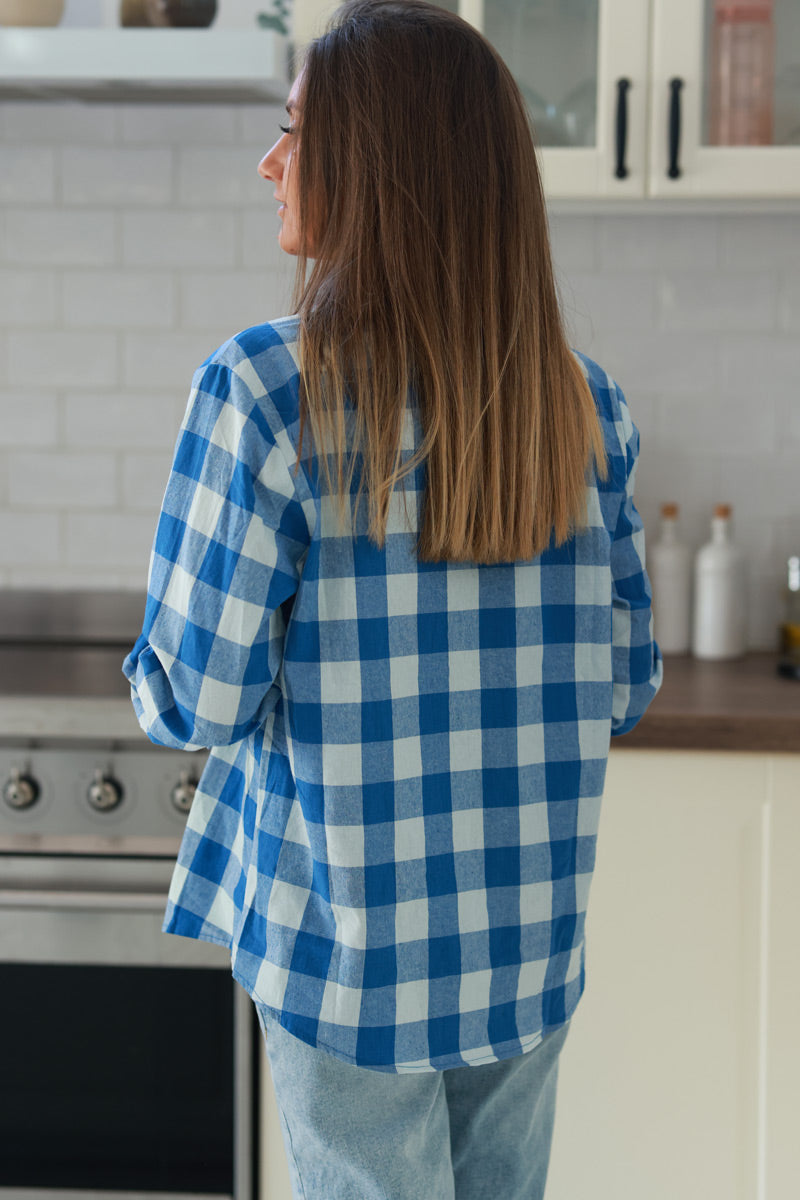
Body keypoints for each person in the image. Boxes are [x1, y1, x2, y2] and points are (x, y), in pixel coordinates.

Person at [123, 2, 663, 1196]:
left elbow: (196, 698)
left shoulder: (267, 388)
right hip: (521, 951)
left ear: (379, 166)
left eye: (295, 133)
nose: (269, 162)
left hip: (348, 955)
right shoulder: (584, 405)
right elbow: (623, 684)